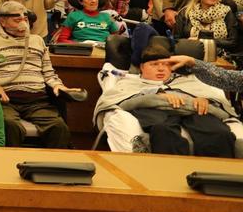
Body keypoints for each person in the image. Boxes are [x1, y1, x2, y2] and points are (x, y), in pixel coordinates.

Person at [96, 48, 240, 156]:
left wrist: (206, 100)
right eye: (154, 64)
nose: (160, 68)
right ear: (141, 67)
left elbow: (217, 97)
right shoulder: (128, 83)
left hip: (196, 111)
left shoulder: (191, 81)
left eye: (166, 65)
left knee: (220, 133)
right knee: (163, 132)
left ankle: (217, 183)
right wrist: (156, 96)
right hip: (155, 112)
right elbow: (117, 102)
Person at [0, 1, 79, 148]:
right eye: (17, 20)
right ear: (2, 21)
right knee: (10, 125)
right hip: (4, 101)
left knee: (58, 127)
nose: (23, 23)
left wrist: (58, 85)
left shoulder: (37, 41)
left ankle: (52, 168)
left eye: (25, 19)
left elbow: (49, 73)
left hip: (37, 101)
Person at [172, 0, 239, 58]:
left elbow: (233, 42)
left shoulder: (227, 12)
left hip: (219, 57)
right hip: (189, 54)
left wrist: (202, 41)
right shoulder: (186, 12)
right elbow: (177, 40)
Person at [54, 0, 124, 44]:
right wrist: (81, 45)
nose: (93, 0)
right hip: (81, 53)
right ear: (80, 1)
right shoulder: (73, 16)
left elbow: (116, 41)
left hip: (103, 53)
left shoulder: (107, 17)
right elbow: (62, 40)